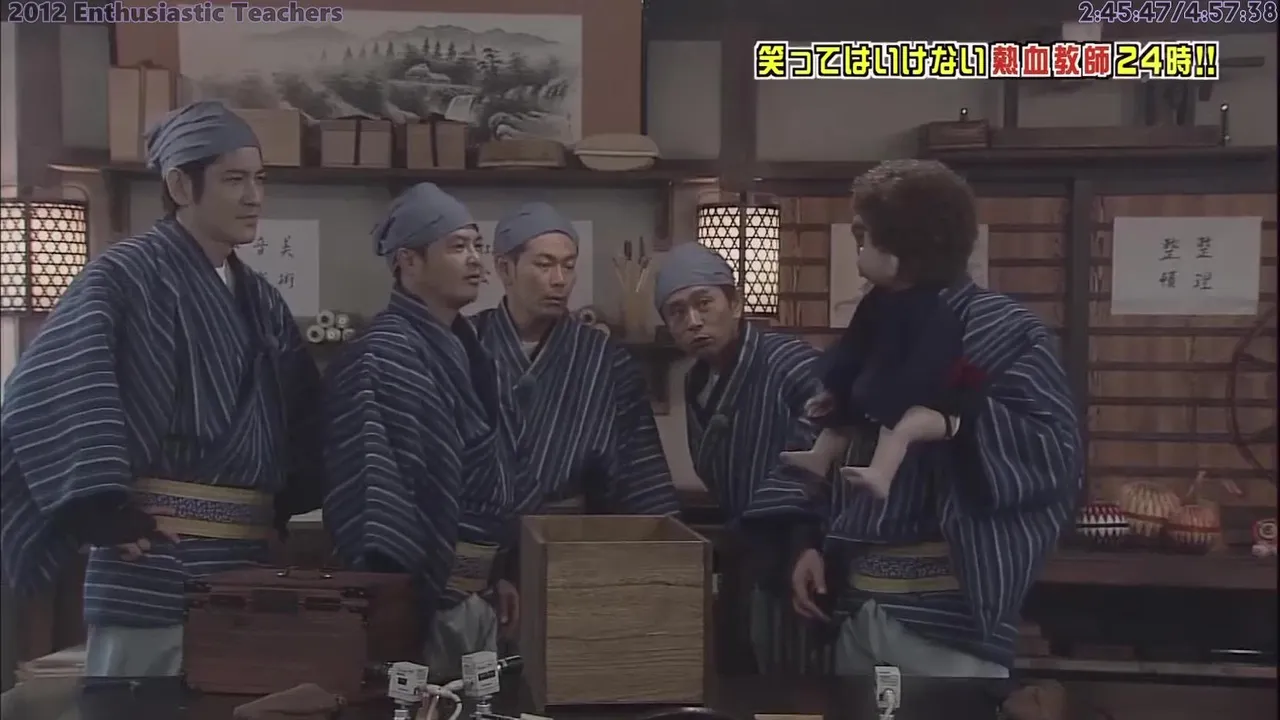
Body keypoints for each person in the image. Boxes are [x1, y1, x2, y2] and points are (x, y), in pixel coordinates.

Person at [0, 101, 325, 677]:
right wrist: (100, 511)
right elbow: (46, 384)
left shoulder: (262, 299)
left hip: (246, 565)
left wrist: (291, 492)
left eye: (259, 179)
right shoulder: (124, 275)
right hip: (152, 558)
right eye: (234, 179)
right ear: (179, 186)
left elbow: (300, 412)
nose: (254, 197)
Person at [750, 159, 1083, 677]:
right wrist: (805, 543)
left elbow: (1052, 451)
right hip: (856, 604)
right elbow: (819, 431)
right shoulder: (876, 323)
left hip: (950, 617)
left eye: (863, 234)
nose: (857, 247)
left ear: (905, 242)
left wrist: (958, 419)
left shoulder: (1008, 330)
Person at [321, 183, 535, 682]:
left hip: (477, 596)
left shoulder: (469, 350)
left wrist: (496, 571)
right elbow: (375, 493)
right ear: (409, 262)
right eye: (457, 247)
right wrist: (400, 599)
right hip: (416, 598)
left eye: (477, 245)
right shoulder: (381, 356)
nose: (475, 260)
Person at [651, 242, 825, 674]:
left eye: (703, 303)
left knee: (794, 684)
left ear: (736, 303)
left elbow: (827, 445)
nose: (692, 321)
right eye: (676, 312)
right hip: (743, 551)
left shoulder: (788, 362)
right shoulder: (696, 382)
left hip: (803, 546)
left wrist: (804, 537)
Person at [473, 202, 678, 515]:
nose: (559, 280)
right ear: (504, 268)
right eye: (544, 265)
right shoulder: (465, 345)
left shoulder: (605, 361)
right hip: (474, 531)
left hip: (567, 532)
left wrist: (662, 539)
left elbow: (642, 473)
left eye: (568, 266)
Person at [779, 192, 980, 499]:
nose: (860, 255)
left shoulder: (933, 310)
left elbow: (930, 366)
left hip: (936, 402)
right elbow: (854, 347)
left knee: (902, 425)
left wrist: (886, 393)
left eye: (867, 244)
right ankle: (820, 456)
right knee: (846, 410)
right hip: (888, 384)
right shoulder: (878, 301)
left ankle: (882, 473)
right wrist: (836, 389)